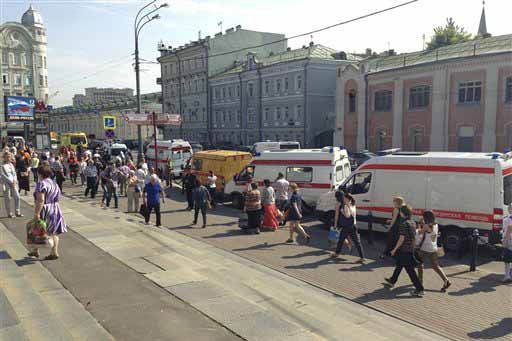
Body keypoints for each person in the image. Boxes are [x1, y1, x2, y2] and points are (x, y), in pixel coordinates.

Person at [27, 164, 67, 260]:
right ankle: (54, 252)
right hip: (55, 208)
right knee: (54, 232)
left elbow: (40, 199)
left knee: (37, 228)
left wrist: (37, 213)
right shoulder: (54, 183)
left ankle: (35, 250)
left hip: (45, 209)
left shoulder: (41, 183)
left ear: (39, 173)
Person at [384, 205, 425, 297]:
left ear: (402, 213)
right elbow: (414, 237)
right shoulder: (412, 222)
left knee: (410, 270)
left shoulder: (403, 224)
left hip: (404, 249)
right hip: (410, 248)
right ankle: (392, 280)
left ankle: (420, 289)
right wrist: (413, 247)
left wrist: (394, 249)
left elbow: (401, 238)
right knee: (399, 264)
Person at [416, 210, 451, 291]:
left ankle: (419, 283)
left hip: (425, 248)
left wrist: (419, 226)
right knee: (436, 266)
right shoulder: (435, 225)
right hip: (433, 248)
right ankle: (446, 280)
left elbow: (419, 232)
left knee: (420, 264)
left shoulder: (427, 226)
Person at [331, 192, 364, 262]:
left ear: (347, 199)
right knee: (357, 242)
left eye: (344, 198)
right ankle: (362, 257)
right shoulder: (353, 205)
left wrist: (343, 210)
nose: (343, 199)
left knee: (341, 240)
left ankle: (336, 253)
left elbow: (347, 215)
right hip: (354, 225)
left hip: (347, 227)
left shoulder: (346, 206)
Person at [1, 153, 21, 218]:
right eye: (7, 157)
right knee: (8, 198)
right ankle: (9, 213)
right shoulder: (2, 166)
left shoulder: (11, 164)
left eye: (9, 157)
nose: (9, 158)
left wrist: (15, 180)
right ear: (4, 157)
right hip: (6, 183)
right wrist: (11, 181)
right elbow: (2, 175)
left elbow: (14, 173)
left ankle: (17, 211)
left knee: (17, 196)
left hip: (13, 182)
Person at [502, 204, 512, 283]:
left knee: (507, 260)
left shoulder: (508, 219)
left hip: (510, 241)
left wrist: (504, 242)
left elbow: (508, 230)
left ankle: (507, 276)